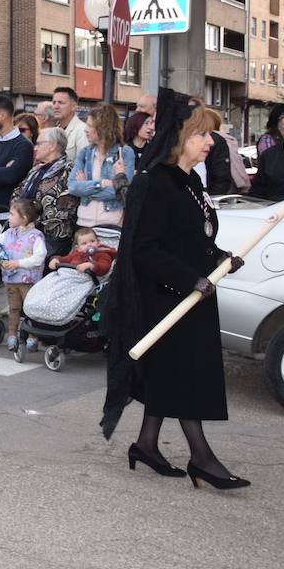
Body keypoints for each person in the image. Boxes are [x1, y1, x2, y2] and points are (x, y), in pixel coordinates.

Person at [102, 88, 250, 489]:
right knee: (184, 376)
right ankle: (202, 459)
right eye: (202, 135)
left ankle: (147, 445)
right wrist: (189, 279)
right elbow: (144, 249)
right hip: (167, 298)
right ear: (179, 137)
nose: (209, 143)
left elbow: (190, 239)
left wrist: (219, 258)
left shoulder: (188, 182)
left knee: (170, 375)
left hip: (193, 295)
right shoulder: (153, 182)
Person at [11, 126, 78, 258]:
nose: (35, 148)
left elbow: (65, 207)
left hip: (52, 238)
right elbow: (17, 193)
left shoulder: (69, 170)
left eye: (39, 144)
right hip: (26, 233)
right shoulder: (36, 170)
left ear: (53, 146)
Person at [68, 104, 135, 231]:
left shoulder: (124, 153)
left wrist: (86, 187)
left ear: (103, 127)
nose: (85, 129)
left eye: (90, 125)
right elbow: (73, 187)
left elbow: (123, 192)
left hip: (111, 222)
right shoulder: (84, 152)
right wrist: (102, 183)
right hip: (84, 222)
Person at [0, 199, 47, 351]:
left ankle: (33, 337)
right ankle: (12, 335)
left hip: (28, 281)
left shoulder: (35, 236)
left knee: (31, 309)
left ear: (23, 218)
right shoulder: (9, 234)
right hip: (11, 279)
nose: (8, 217)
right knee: (14, 308)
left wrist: (18, 263)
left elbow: (39, 257)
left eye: (11, 214)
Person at [48, 226, 116, 277]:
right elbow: (66, 259)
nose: (89, 244)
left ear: (98, 242)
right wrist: (56, 260)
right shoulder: (76, 254)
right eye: (84, 243)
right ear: (78, 248)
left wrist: (92, 265)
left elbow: (105, 267)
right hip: (69, 275)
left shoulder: (103, 254)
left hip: (85, 279)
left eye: (92, 241)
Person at [51, 86, 89, 164]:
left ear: (73, 107)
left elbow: (83, 164)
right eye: (54, 102)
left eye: (61, 103)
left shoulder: (82, 130)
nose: (56, 106)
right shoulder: (54, 131)